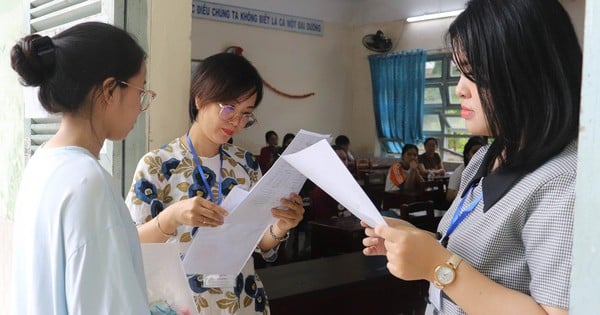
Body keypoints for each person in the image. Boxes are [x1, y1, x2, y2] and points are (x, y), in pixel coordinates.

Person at [363, 0, 581, 314]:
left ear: (528, 73)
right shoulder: (487, 157)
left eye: (475, 73)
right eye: (459, 72)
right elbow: (481, 256)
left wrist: (437, 266)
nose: (460, 90)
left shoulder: (563, 180)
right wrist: (414, 240)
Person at [125, 52, 305, 315]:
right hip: (182, 304)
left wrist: (281, 226)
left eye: (246, 114)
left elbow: (260, 243)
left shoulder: (245, 164)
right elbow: (131, 243)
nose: (236, 121)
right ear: (200, 99)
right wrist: (172, 217)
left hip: (242, 300)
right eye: (229, 108)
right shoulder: (157, 166)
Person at [10, 22, 152, 314]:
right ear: (110, 90)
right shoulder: (87, 182)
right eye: (141, 92)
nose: (140, 106)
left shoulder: (42, 164)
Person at [445, 136, 484, 203]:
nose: (478, 155)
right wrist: (472, 192)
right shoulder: (460, 171)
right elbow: (449, 196)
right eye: (474, 152)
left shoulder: (487, 170)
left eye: (481, 152)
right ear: (467, 155)